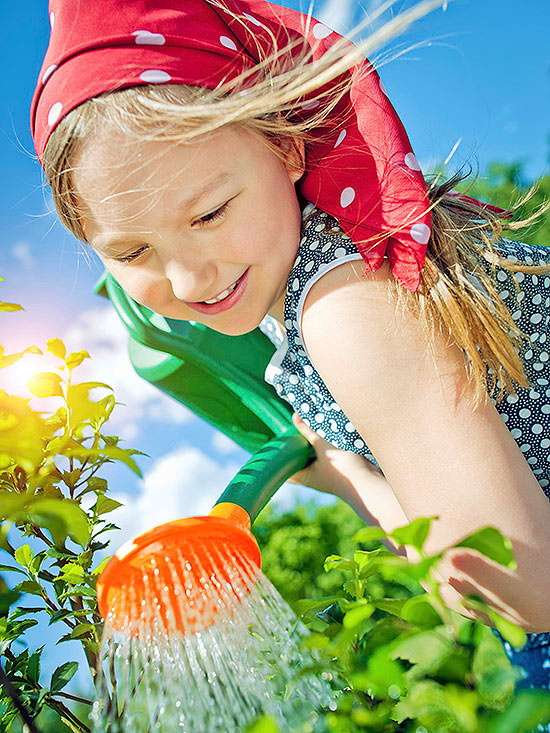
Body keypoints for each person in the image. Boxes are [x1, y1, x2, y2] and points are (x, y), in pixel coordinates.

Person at [31, 0, 550, 698]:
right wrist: (342, 472)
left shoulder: (340, 305)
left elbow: (518, 587)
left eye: (210, 213)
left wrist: (352, 478)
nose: (190, 278)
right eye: (131, 250)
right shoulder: (327, 270)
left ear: (284, 141)